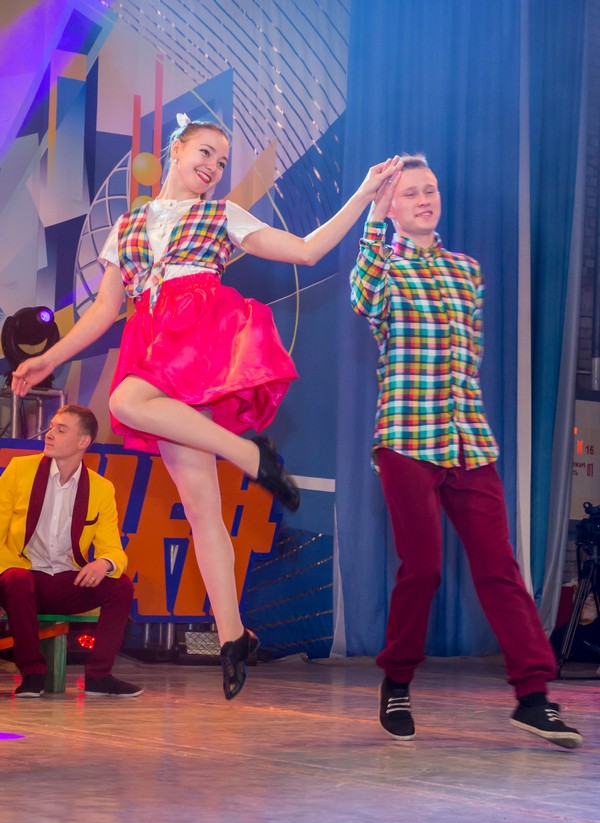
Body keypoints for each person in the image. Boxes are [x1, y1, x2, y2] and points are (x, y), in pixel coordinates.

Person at [11, 113, 402, 701]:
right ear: (176, 149)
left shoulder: (223, 215)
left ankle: (250, 455)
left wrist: (366, 191)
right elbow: (103, 312)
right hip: (151, 340)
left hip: (197, 338)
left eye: (221, 161)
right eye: (205, 153)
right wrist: (49, 358)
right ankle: (232, 636)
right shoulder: (129, 224)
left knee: (124, 400)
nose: (214, 167)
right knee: (202, 511)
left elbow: (307, 250)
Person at [349, 153, 582, 750]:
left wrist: (464, 423)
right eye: (410, 193)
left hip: (468, 438)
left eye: (430, 189)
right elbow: (364, 300)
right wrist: (372, 219)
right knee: (423, 567)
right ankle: (397, 682)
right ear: (391, 207)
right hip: (406, 437)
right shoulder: (383, 268)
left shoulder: (466, 272)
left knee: (500, 568)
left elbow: (466, 361)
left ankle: (533, 697)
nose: (424, 199)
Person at [0, 404, 140, 698]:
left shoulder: (101, 488)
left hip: (65, 580)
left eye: (61, 430)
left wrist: (104, 563)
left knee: (121, 586)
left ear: (83, 441)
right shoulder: (19, 470)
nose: (50, 434)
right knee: (18, 580)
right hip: (17, 576)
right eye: (51, 427)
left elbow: (113, 548)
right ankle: (32, 674)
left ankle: (99, 676)